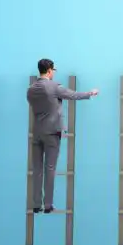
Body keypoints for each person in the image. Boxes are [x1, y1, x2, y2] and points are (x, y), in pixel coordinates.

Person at [26, 59, 98, 213]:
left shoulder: (31, 89)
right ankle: (48, 204)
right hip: (52, 132)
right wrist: (90, 93)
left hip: (37, 132)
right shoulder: (54, 86)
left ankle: (36, 204)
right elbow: (73, 95)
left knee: (37, 169)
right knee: (50, 168)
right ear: (50, 70)